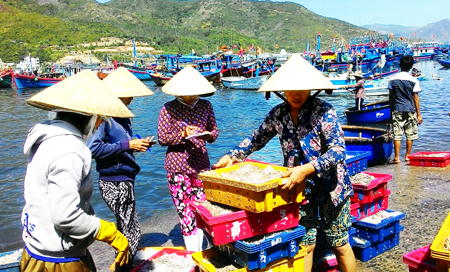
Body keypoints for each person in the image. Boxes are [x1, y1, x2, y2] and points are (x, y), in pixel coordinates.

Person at [214, 54, 356, 272]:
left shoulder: (324, 111)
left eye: (301, 89)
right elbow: (256, 139)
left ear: (311, 88)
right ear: (282, 89)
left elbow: (338, 151)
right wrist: (232, 156)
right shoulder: (278, 114)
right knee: (305, 245)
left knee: (340, 244)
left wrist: (307, 169)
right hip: (298, 189)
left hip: (332, 187)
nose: (296, 95)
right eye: (290, 89)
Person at [20, 70, 134, 272]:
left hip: (34, 248)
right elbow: (65, 216)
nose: (100, 124)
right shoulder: (69, 150)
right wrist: (110, 233)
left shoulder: (46, 136)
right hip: (57, 261)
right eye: (100, 119)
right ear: (89, 118)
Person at [87, 67, 155, 271]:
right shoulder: (104, 118)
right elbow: (93, 148)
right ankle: (123, 268)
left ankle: (121, 264)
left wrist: (136, 143)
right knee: (131, 230)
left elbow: (120, 145)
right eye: (128, 95)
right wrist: (128, 146)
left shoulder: (124, 118)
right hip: (113, 182)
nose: (132, 98)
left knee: (125, 226)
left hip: (126, 179)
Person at [157, 66, 219, 252]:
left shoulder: (206, 106)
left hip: (201, 165)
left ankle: (206, 249)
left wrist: (208, 136)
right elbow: (162, 138)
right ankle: (194, 252)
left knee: (203, 207)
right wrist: (183, 134)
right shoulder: (168, 108)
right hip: (177, 167)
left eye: (194, 93)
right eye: (187, 94)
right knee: (185, 210)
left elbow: (214, 131)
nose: (192, 97)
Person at [388, 55, 422, 164]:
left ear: (400, 65)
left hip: (397, 108)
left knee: (397, 134)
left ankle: (397, 157)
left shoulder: (392, 79)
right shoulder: (414, 80)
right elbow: (415, 98)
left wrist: (390, 110)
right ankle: (407, 156)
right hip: (410, 109)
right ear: (411, 66)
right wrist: (419, 114)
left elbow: (390, 97)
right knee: (410, 133)